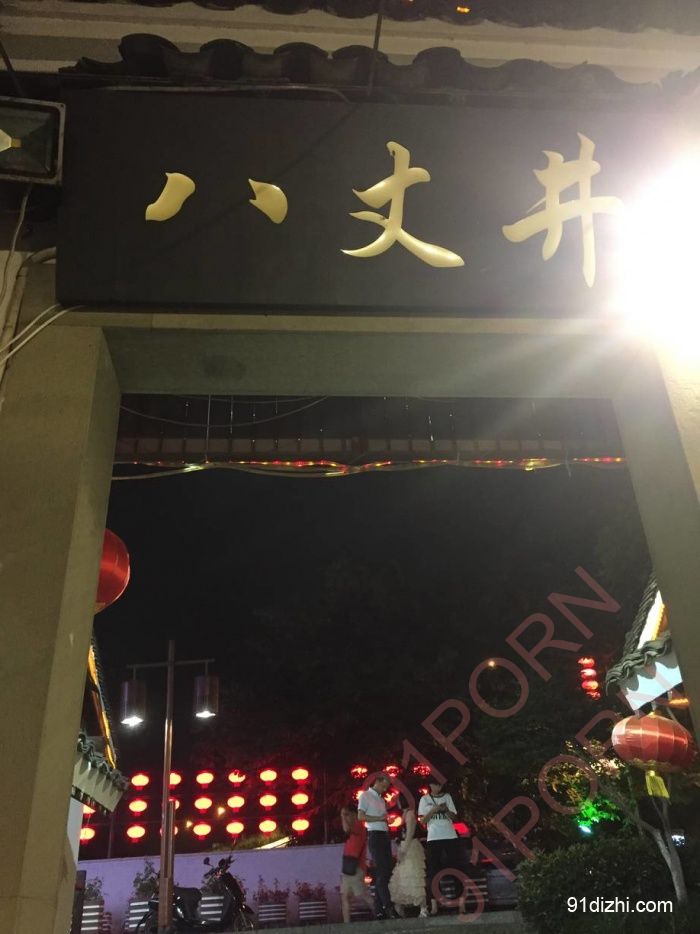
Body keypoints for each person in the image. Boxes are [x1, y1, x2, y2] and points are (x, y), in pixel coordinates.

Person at [417, 779, 466, 915]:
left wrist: (445, 810)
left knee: (456, 868)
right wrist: (433, 810)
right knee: (433, 871)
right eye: (435, 784)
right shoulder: (424, 799)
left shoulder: (447, 797)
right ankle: (434, 905)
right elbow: (422, 820)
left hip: (450, 836)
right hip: (433, 837)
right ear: (430, 785)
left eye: (439, 785)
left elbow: (454, 817)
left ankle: (461, 904)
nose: (437, 787)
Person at [357, 773, 397, 920]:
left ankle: (379, 909)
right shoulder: (365, 796)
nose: (385, 789)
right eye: (384, 786)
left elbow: (381, 817)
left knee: (385, 871)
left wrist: (386, 820)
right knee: (382, 871)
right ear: (378, 782)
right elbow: (361, 816)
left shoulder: (380, 799)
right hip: (375, 835)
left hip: (384, 835)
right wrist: (379, 818)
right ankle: (388, 907)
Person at [388, 793, 428, 917]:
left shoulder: (410, 814)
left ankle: (423, 908)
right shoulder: (404, 814)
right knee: (401, 877)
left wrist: (403, 850)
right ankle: (401, 909)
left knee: (414, 877)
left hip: (411, 848)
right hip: (404, 846)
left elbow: (410, 833)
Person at [339, 805, 375, 923]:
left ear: (354, 814)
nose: (346, 818)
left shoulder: (359, 825)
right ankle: (347, 923)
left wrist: (343, 817)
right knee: (345, 896)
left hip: (357, 867)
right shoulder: (357, 827)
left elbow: (346, 829)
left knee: (361, 894)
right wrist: (344, 816)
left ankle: (379, 912)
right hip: (349, 866)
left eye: (347, 815)